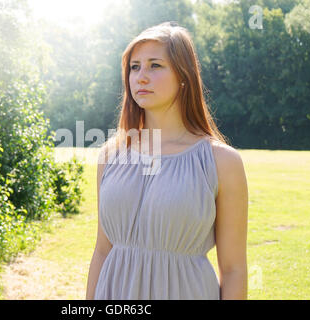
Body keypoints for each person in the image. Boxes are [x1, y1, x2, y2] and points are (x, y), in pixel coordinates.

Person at [86, 21, 248, 300]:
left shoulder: (222, 162)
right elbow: (103, 249)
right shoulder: (111, 155)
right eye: (134, 67)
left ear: (183, 75)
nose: (141, 77)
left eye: (155, 65)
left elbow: (234, 269)